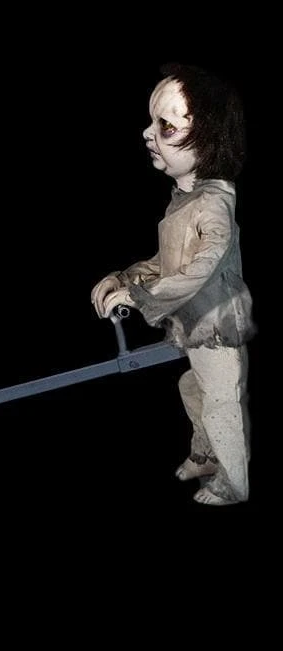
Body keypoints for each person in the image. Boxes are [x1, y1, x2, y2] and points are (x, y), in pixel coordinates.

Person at [91, 63, 255, 506]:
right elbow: (169, 262)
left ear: (208, 139)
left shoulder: (214, 207)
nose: (148, 133)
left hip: (216, 328)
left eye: (166, 126)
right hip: (195, 323)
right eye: (153, 122)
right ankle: (205, 456)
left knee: (221, 405)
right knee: (192, 388)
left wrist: (138, 296)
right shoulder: (186, 200)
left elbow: (201, 269)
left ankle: (234, 484)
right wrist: (126, 277)